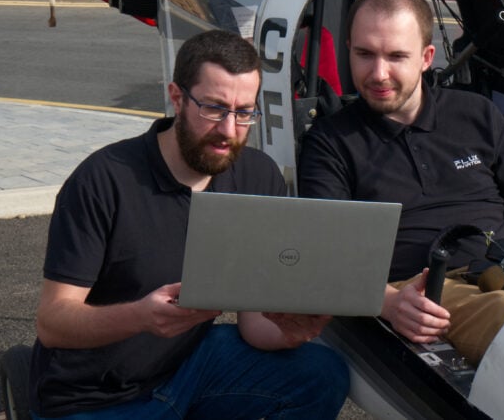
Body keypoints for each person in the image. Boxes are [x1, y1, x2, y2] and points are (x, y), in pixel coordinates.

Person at [29, 29, 349, 419]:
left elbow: (253, 324)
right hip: (95, 394)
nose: (229, 131)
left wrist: (292, 330)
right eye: (214, 109)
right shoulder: (103, 180)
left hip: (187, 365)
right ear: (177, 98)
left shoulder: (256, 177)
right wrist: (141, 317)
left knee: (322, 374)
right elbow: (53, 323)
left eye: (244, 112)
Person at [298, 0, 504, 364]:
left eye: (396, 56)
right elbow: (325, 253)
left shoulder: (477, 114)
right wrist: (388, 303)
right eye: (365, 54)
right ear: (347, 49)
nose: (378, 73)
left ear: (426, 57)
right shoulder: (330, 142)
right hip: (423, 289)